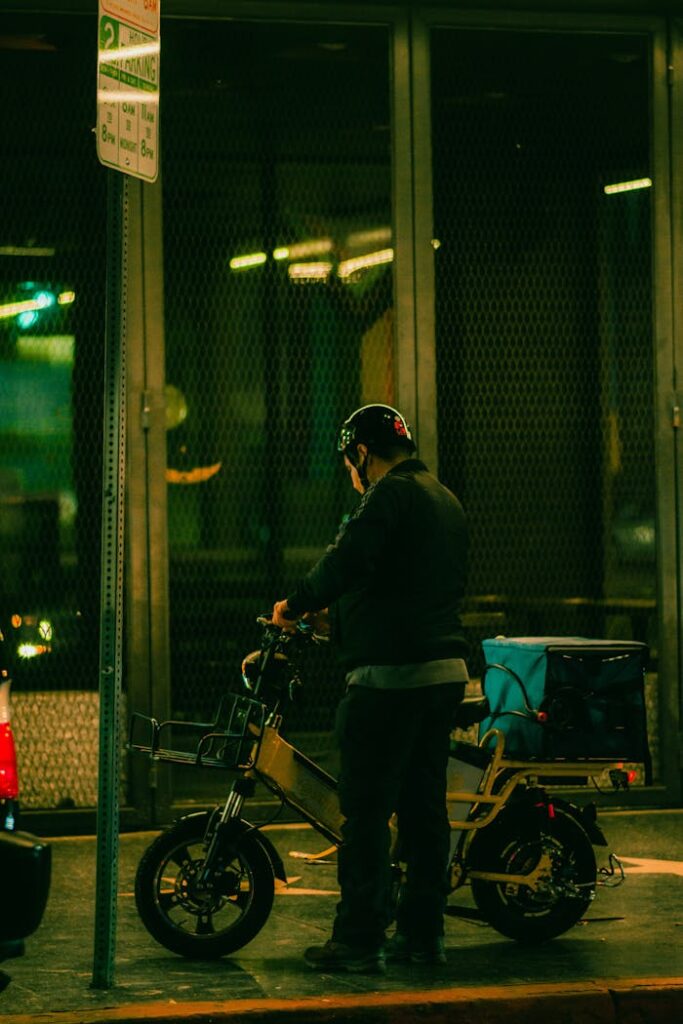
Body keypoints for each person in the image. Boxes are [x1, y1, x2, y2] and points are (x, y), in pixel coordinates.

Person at [272, 403, 468, 974]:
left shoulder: (386, 495)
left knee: (364, 811)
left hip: (389, 682)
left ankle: (358, 938)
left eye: (350, 462)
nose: (351, 474)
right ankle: (421, 936)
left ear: (361, 453)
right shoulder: (444, 499)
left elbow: (348, 561)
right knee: (424, 810)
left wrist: (296, 604)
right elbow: (407, 586)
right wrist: (346, 623)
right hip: (442, 675)